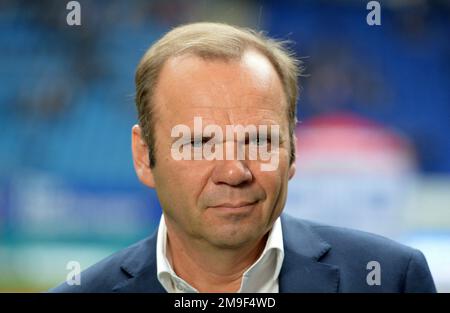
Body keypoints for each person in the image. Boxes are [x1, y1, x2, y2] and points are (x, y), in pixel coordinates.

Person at [51, 22, 436, 293]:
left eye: (259, 140)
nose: (235, 171)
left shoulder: (391, 280)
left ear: (293, 150)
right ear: (144, 155)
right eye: (200, 142)